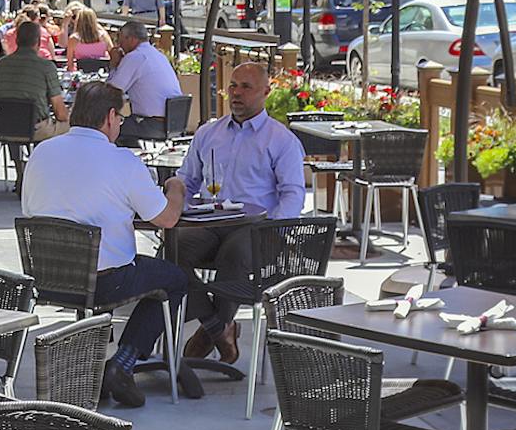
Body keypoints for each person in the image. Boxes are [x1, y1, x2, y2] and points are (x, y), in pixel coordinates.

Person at [19, 83, 206, 407]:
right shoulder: (122, 161)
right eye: (120, 117)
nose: (120, 123)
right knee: (175, 278)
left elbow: (30, 211)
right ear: (109, 117)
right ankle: (123, 363)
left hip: (48, 278)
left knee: (132, 267)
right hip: (104, 282)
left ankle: (102, 366)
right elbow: (166, 219)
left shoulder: (41, 152)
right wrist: (176, 188)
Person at [175, 61, 307, 360]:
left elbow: (292, 193)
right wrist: (177, 209)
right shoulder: (209, 133)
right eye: (233, 86)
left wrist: (273, 231)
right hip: (209, 220)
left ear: (266, 92)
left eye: (246, 87)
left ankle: (211, 328)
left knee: (234, 256)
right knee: (171, 252)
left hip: (255, 225)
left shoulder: (281, 140)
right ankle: (218, 327)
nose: (236, 93)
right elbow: (187, 179)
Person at [0, 20, 69, 140]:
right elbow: (60, 113)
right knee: (74, 127)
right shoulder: (46, 67)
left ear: (17, 40)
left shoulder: (1, 64)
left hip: (5, 128)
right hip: (35, 130)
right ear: (38, 42)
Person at [109, 20, 183, 144]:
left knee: (107, 128)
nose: (119, 45)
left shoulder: (135, 57)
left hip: (151, 125)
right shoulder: (158, 55)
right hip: (173, 123)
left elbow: (111, 91)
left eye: (120, 40)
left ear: (131, 39)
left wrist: (113, 65)